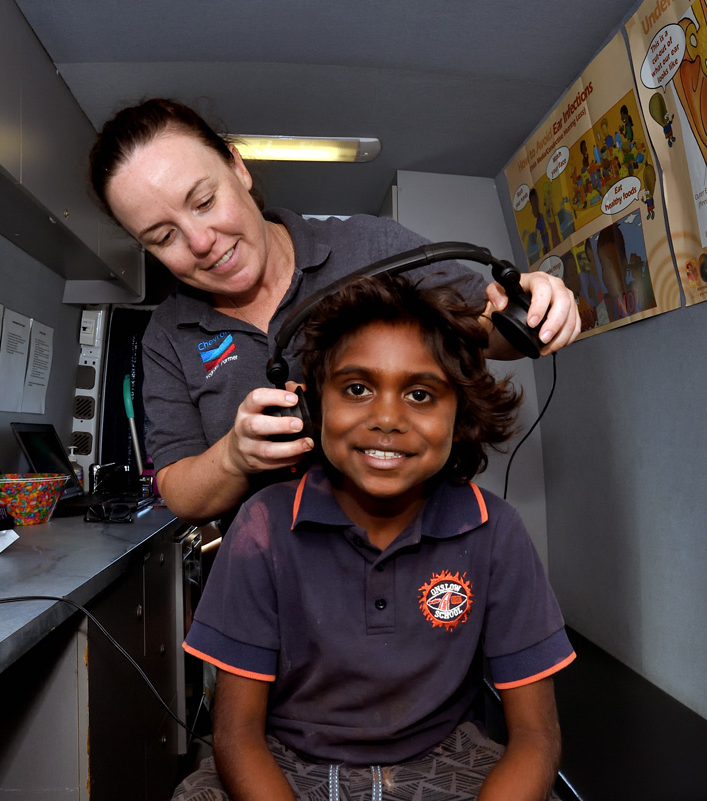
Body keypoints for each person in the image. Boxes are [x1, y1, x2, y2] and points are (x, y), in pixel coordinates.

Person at [175, 274, 574, 801]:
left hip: (447, 759)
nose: (387, 418)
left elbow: (536, 737)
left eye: (421, 394)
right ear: (314, 406)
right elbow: (236, 734)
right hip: (285, 763)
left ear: (461, 415)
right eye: (357, 389)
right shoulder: (262, 526)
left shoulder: (495, 530)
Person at [88, 99, 582, 523]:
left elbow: (487, 329)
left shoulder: (373, 245)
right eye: (164, 237)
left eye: (204, 201)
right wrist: (234, 457)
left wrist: (536, 308)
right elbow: (179, 489)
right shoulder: (167, 334)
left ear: (238, 167)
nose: (200, 242)